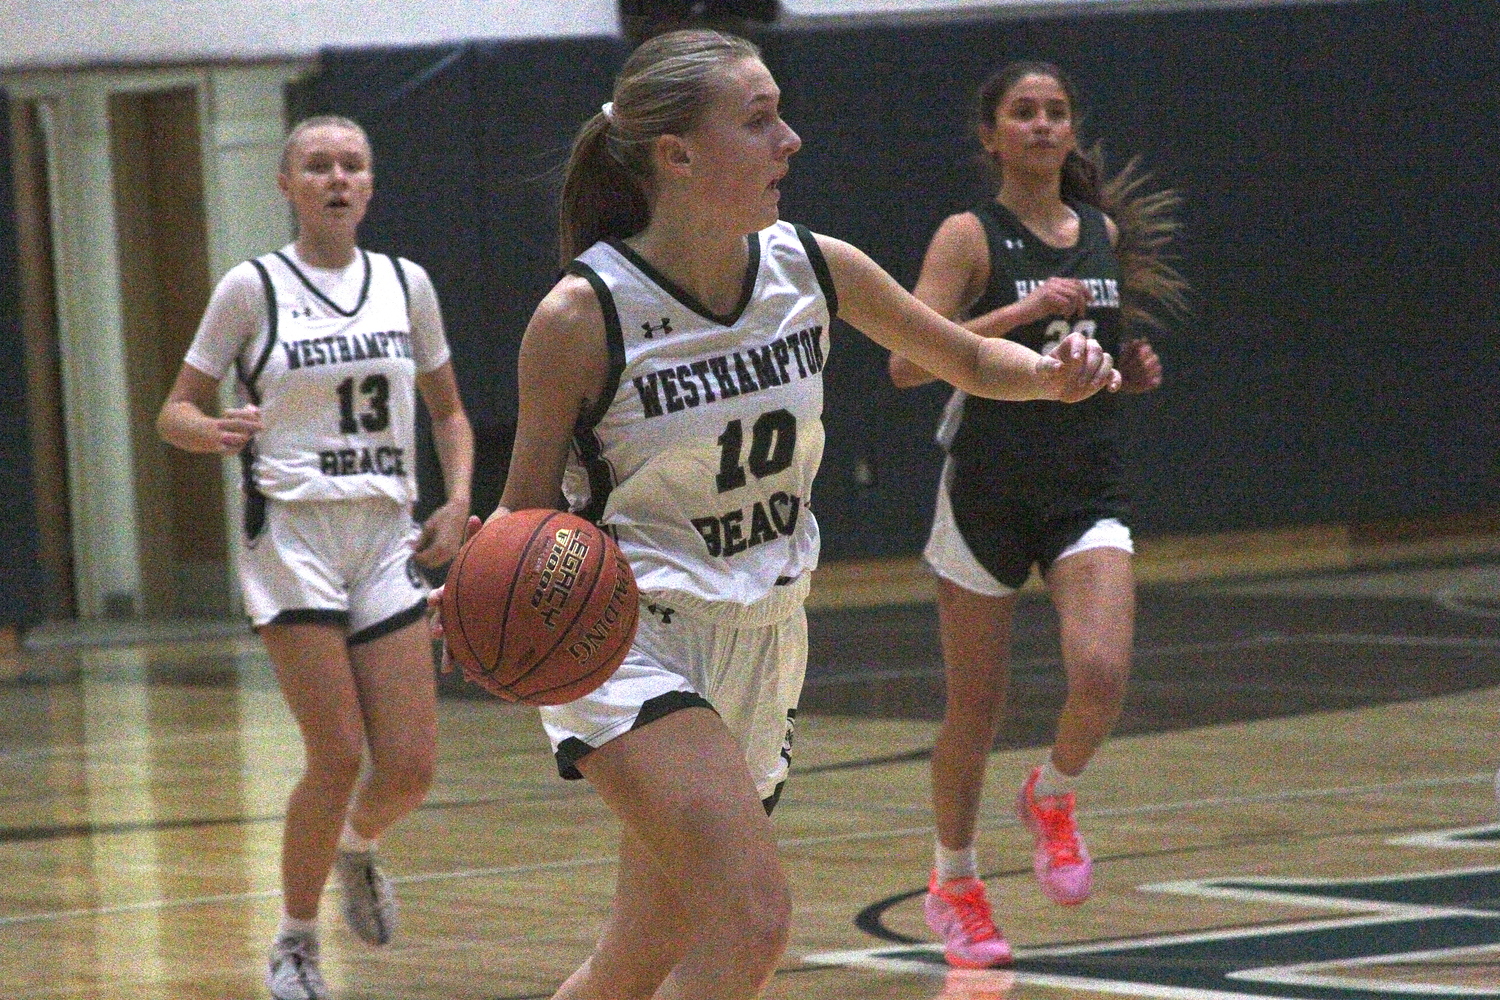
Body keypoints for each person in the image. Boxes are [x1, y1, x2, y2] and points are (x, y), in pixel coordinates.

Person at [431, 30, 1118, 1000]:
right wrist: (473, 597)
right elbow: (523, 515)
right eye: (759, 121)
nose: (790, 140)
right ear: (677, 155)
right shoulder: (585, 316)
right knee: (753, 921)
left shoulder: (811, 268)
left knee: (635, 960)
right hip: (626, 637)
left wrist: (1051, 375)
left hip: (764, 636)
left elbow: (962, 359)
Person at [157, 115, 475, 1000]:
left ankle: (358, 846)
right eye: (317, 165)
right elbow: (174, 409)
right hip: (291, 534)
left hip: (385, 533)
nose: (336, 178)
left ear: (370, 184)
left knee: (409, 767)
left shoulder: (405, 284)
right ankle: (295, 942)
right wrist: (210, 430)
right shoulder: (251, 288)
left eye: (352, 164)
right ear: (288, 184)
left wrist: (455, 500)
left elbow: (448, 412)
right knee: (335, 754)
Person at [887, 61, 1187, 968]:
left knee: (1100, 673)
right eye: (1024, 112)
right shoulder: (968, 236)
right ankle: (956, 882)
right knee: (973, 710)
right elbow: (907, 363)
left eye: (1056, 112)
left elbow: (1079, 355)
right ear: (992, 136)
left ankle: (1052, 795)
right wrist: (1022, 308)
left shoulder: (1098, 229)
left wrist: (1125, 370)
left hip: (1084, 481)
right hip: (986, 485)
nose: (1043, 125)